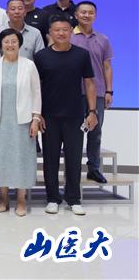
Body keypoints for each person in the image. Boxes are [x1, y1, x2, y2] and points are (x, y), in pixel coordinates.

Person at [35, 16, 97, 215]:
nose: (61, 33)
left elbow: (89, 83)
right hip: (49, 116)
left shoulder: (81, 55)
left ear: (71, 31)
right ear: (50, 33)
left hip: (74, 115)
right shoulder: (41, 56)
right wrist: (38, 114)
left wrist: (92, 112)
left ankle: (73, 199)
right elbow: (37, 87)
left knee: (74, 158)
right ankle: (52, 198)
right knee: (50, 159)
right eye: (57, 30)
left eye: (65, 29)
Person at [0, 28, 42, 217]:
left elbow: (36, 93)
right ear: (1, 45)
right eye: (6, 42)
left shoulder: (29, 65)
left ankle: (21, 200)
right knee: (0, 158)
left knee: (21, 159)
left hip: (23, 121)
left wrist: (35, 118)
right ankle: (3, 198)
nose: (10, 45)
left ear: (19, 44)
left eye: (14, 41)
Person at [72, 1, 114, 184]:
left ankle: (93, 168)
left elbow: (107, 66)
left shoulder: (103, 39)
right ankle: (72, 169)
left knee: (95, 132)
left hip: (97, 92)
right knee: (73, 133)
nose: (86, 15)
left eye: (90, 12)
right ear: (76, 15)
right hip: (73, 92)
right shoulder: (68, 37)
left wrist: (109, 91)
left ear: (95, 16)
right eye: (83, 12)